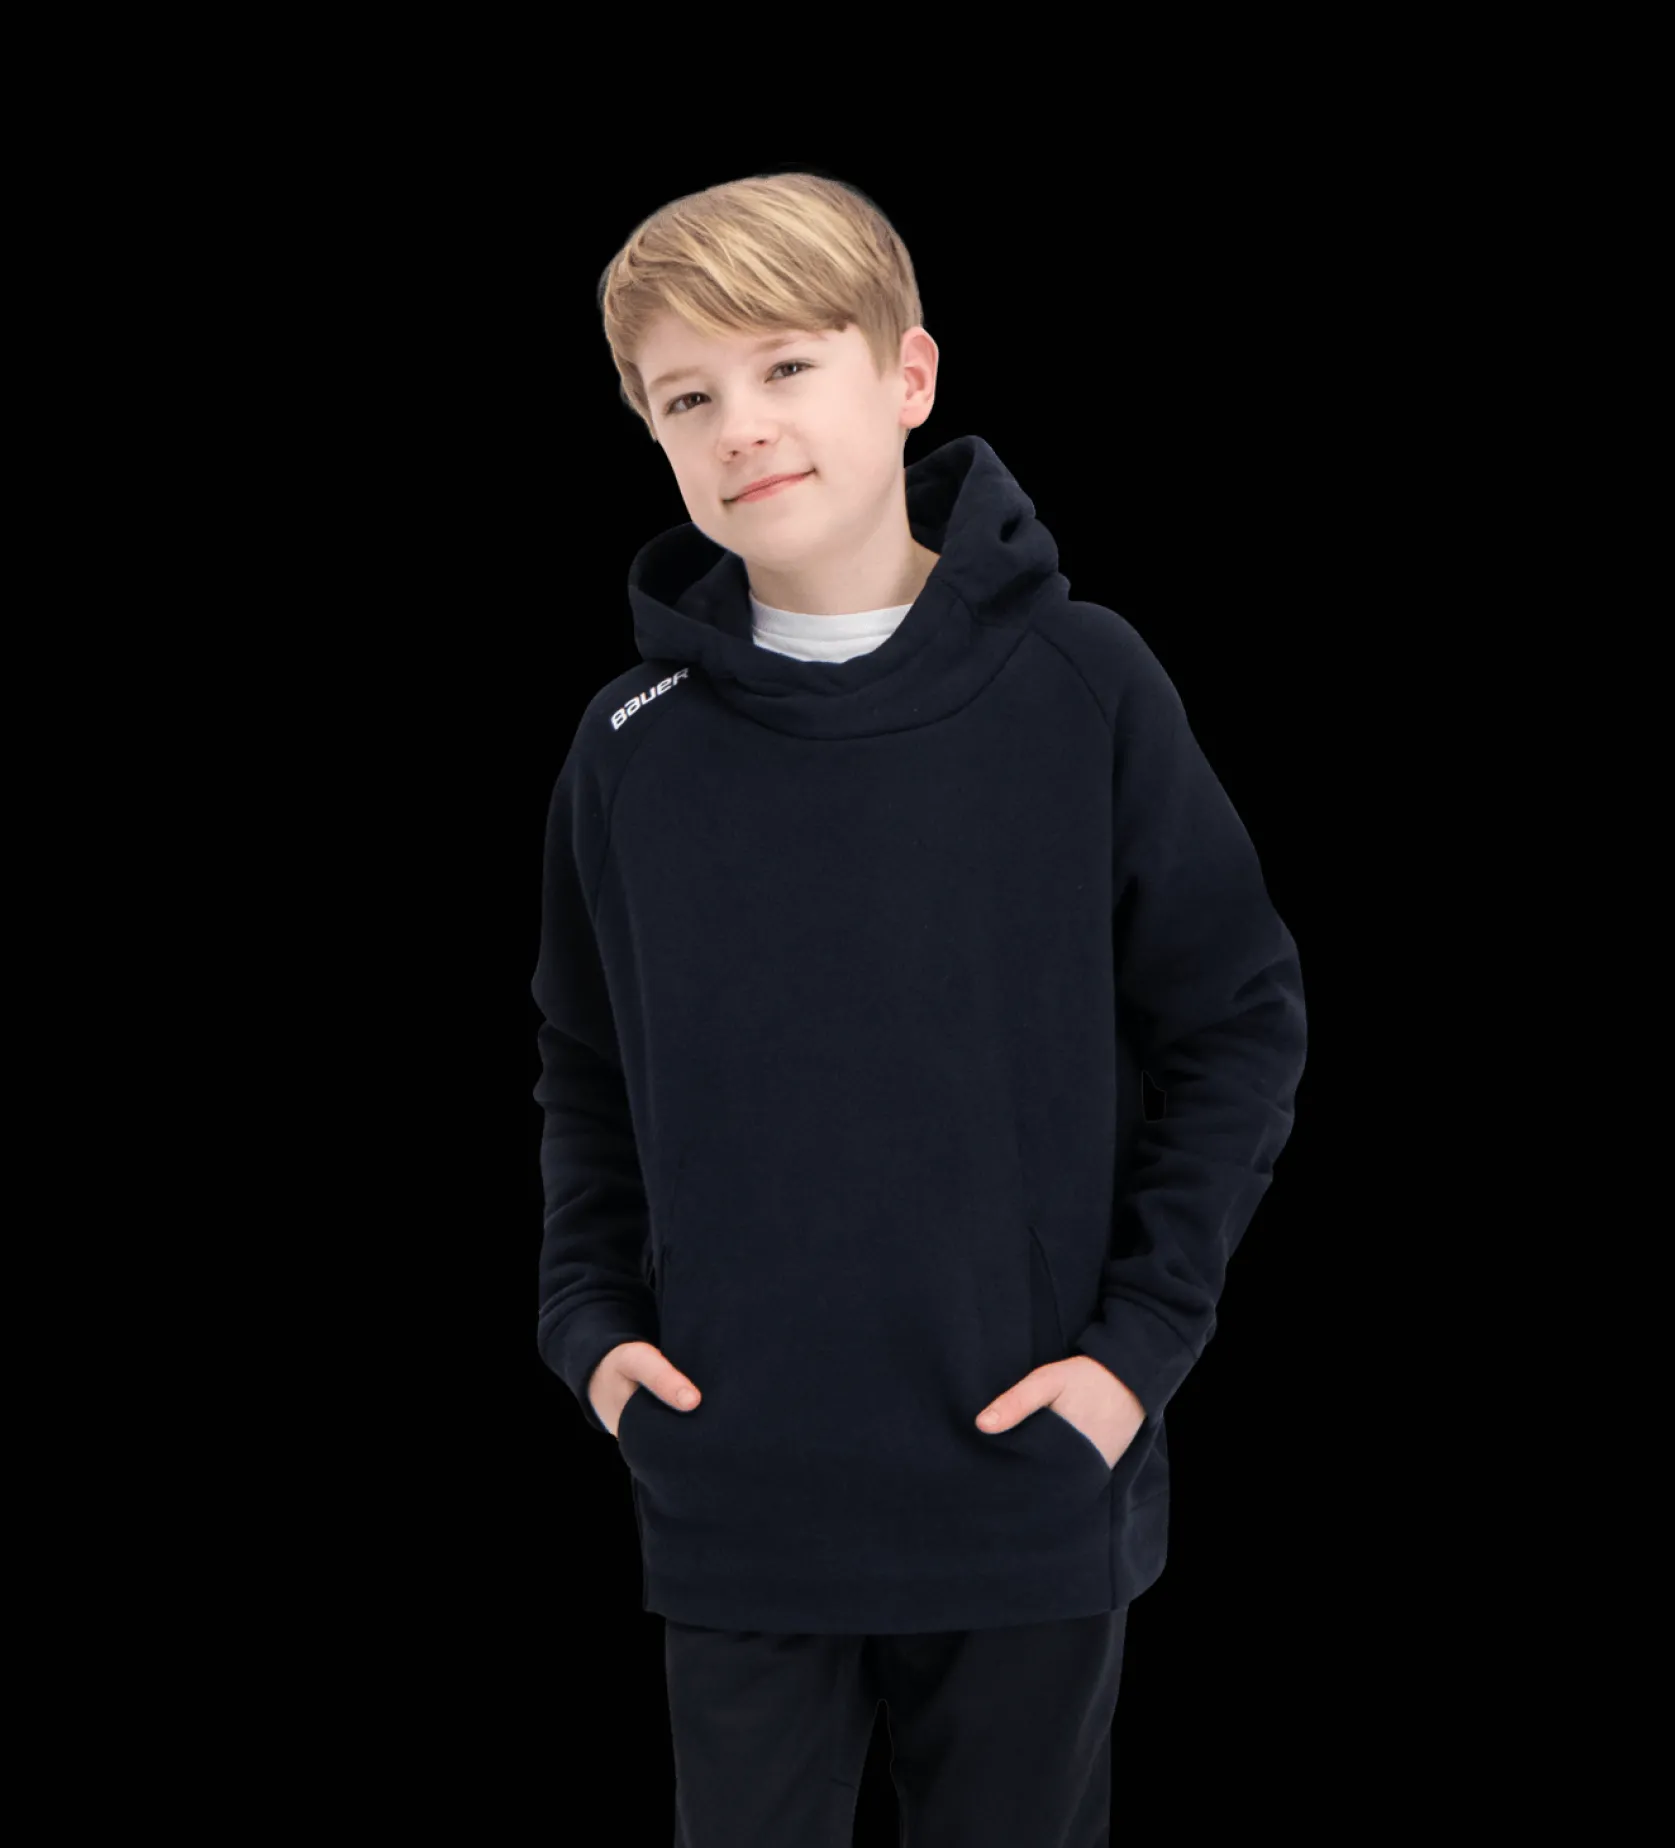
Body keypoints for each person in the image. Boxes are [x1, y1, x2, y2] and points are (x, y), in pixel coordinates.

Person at [532, 170, 1309, 1847]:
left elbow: (1238, 1022)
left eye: (785, 365)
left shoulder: (1084, 685)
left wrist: (1134, 1357)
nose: (743, 424)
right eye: (687, 397)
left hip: (1026, 1488)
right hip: (737, 1495)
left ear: (908, 376)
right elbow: (587, 1070)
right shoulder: (629, 749)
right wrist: (590, 1333)